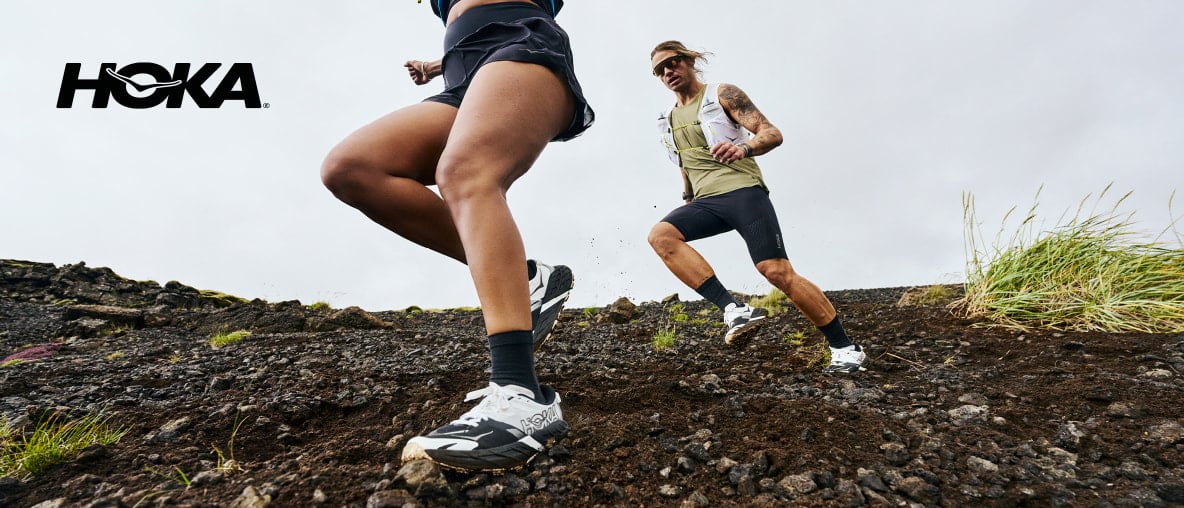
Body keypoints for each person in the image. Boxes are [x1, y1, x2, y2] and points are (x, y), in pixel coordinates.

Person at [320, 0, 594, 471]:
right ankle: (529, 280)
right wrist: (437, 63)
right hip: (464, 75)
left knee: (465, 172)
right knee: (351, 167)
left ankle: (521, 395)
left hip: (521, 48)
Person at [647, 40, 865, 373]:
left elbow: (771, 132)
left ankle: (846, 348)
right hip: (706, 202)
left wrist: (745, 149)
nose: (667, 72)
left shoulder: (721, 95)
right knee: (661, 237)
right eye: (660, 70)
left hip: (743, 192)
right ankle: (734, 310)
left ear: (689, 61)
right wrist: (688, 195)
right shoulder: (667, 119)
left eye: (673, 63)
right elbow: (685, 162)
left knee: (776, 272)